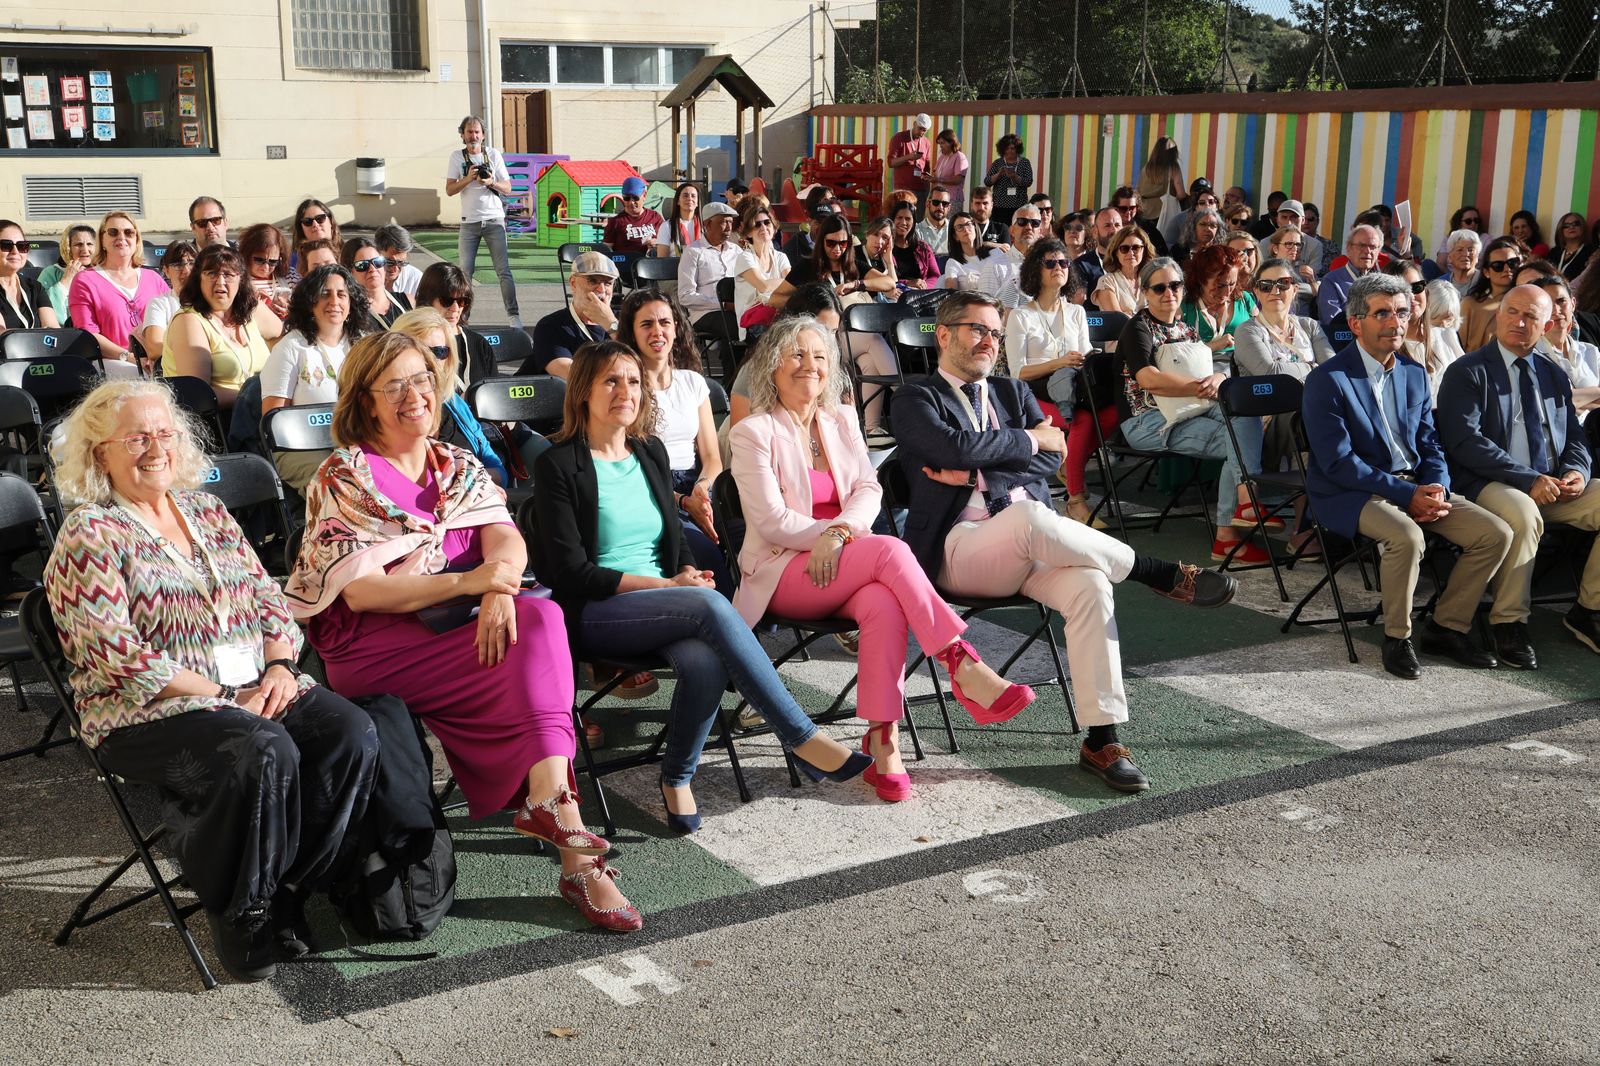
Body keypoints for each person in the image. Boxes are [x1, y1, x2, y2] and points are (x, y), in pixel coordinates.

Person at [285, 330, 637, 930]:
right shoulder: (345, 476)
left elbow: (506, 537)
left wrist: (498, 584)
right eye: (393, 385)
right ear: (364, 400)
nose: (413, 395)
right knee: (537, 643)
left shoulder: (456, 464)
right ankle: (578, 858)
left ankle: (559, 814)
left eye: (421, 379)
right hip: (375, 645)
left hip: (457, 630)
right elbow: (364, 591)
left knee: (541, 618)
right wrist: (473, 586)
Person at [44, 379, 378, 981]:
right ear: (101, 455)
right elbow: (113, 654)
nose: (156, 447)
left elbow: (269, 599)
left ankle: (289, 886)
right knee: (262, 749)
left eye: (165, 432)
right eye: (137, 437)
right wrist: (226, 696)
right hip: (145, 710)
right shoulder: (90, 532)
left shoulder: (206, 509)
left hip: (252, 686)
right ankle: (244, 911)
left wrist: (278, 667)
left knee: (351, 731)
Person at [892, 291, 1239, 792]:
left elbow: (1051, 460)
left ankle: (1103, 737)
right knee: (1031, 514)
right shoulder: (915, 399)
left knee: (1091, 584)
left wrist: (975, 473)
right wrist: (1029, 440)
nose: (989, 340)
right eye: (977, 330)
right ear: (943, 335)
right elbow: (950, 446)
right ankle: (1155, 572)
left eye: (995, 332)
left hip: (1032, 545)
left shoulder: (1012, 393)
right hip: (959, 549)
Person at [536, 339, 870, 823]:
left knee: (705, 661)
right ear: (583, 390)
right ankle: (801, 737)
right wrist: (669, 588)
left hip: (669, 603)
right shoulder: (558, 464)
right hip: (598, 610)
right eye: (610, 380)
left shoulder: (647, 451)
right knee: (709, 606)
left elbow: (673, 537)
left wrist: (686, 572)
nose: (625, 391)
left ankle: (676, 778)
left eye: (633, 380)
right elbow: (571, 572)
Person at [731, 315, 1038, 797]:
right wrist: (831, 534)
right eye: (796, 355)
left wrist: (841, 534)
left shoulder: (841, 418)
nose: (808, 365)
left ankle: (883, 739)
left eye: (818, 356)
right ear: (772, 366)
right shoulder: (753, 432)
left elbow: (868, 487)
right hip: (784, 569)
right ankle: (960, 663)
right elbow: (770, 521)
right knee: (891, 551)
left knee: (883, 601)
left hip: (849, 561)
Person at [1302, 272, 1512, 679]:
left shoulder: (1414, 373)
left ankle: (1447, 628)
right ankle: (1397, 638)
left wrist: (1437, 485)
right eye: (1382, 313)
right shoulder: (1327, 380)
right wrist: (1404, 493)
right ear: (1355, 322)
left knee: (1495, 534)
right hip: (1350, 491)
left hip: (1413, 484)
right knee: (1407, 536)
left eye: (1401, 312)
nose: (1395, 322)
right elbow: (1339, 462)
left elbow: (1430, 442)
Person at [1435, 284, 1599, 665]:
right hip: (1488, 483)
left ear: (1546, 327)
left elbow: (1574, 436)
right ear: (1498, 315)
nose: (1520, 322)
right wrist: (1527, 480)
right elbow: (1464, 443)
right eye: (1513, 312)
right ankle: (1509, 621)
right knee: (1523, 514)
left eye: (1531, 317)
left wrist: (1576, 470)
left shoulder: (1554, 375)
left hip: (1552, 483)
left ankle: (1588, 610)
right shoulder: (1467, 371)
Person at [1117, 257, 1270, 564]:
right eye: (1159, 288)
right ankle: (1233, 524)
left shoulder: (1186, 328)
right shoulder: (1138, 329)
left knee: (1245, 413)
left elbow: (1206, 366)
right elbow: (1149, 380)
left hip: (1192, 407)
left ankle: (1242, 505)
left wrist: (1219, 378)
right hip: (1149, 420)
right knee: (1238, 443)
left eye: (1174, 285)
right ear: (1146, 292)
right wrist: (1201, 386)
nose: (1168, 293)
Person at [615, 289, 730, 593]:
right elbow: (631, 465)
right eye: (647, 324)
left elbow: (712, 457)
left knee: (745, 534)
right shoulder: (627, 390)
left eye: (665, 322)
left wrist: (702, 491)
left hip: (698, 483)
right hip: (652, 487)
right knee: (704, 550)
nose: (658, 331)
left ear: (676, 328)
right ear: (632, 332)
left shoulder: (692, 382)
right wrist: (683, 500)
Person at [1004, 239, 1095, 519]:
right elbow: (1018, 372)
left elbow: (1086, 354)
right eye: (1051, 263)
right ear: (1036, 270)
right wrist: (1060, 362)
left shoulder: (1077, 312)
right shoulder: (1021, 316)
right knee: (1083, 421)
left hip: (1072, 388)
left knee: (1110, 413)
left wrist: (1080, 361)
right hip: (1033, 394)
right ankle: (1076, 498)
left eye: (1064, 262)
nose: (1059, 267)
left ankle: (1068, 463)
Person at [260, 264, 367, 488]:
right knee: (342, 481)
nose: (334, 302)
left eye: (341, 294)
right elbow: (274, 420)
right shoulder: (291, 348)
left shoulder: (363, 345)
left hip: (357, 444)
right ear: (310, 301)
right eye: (324, 294)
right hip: (301, 449)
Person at [390, 308, 514, 487]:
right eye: (420, 350)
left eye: (439, 352)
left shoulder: (455, 405)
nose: (430, 360)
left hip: (472, 506)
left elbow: (499, 471)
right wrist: (467, 476)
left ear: (448, 358)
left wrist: (465, 479)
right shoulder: (390, 410)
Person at [161, 244, 279, 408]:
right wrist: (260, 397)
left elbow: (284, 338)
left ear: (241, 279)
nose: (221, 282)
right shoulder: (189, 321)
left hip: (261, 410)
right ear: (198, 279)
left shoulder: (250, 309)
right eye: (211, 274)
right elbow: (198, 394)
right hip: (219, 422)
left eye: (229, 274)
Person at [445, 115, 523, 329]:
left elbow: (508, 187)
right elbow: (450, 190)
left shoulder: (493, 155)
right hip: (469, 222)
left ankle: (513, 316)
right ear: (462, 135)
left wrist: (491, 182)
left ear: (483, 134)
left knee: (503, 271)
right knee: (464, 273)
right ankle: (462, 318)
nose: (473, 136)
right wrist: (468, 178)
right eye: (469, 132)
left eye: (477, 132)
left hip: (494, 219)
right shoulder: (456, 157)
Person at [68, 212, 170, 370]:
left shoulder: (154, 278)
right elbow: (89, 335)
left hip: (157, 360)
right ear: (102, 240)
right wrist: (129, 357)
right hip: (112, 361)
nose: (121, 237)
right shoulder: (85, 280)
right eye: (113, 232)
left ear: (136, 240)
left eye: (129, 232)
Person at [1234, 257, 1334, 381]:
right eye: (1266, 286)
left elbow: (1332, 368)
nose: (1275, 291)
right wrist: (1312, 367)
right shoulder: (1246, 331)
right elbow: (1270, 373)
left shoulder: (1309, 326)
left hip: (1313, 398)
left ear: (1295, 290)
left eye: (1283, 283)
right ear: (1257, 292)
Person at [524, 251, 617, 379]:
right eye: (592, 281)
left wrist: (611, 324)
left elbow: (641, 364)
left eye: (608, 283)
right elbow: (571, 375)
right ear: (573, 283)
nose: (601, 290)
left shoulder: (621, 320)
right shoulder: (551, 326)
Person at [1384, 260, 1460, 404]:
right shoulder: (1385, 346)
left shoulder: (1447, 335)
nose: (1411, 296)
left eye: (1417, 287)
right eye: (1401, 290)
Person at [416, 261, 496, 386]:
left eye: (462, 301)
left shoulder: (479, 345)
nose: (455, 308)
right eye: (447, 300)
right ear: (427, 300)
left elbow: (494, 393)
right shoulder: (414, 345)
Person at [1181, 244, 1257, 371]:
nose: (1227, 293)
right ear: (1201, 279)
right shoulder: (1185, 307)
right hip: (1201, 370)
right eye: (1220, 286)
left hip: (1243, 368)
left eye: (1232, 284)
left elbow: (1263, 337)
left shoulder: (1244, 299)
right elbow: (1179, 355)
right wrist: (1215, 345)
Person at [1533, 273, 1600, 413]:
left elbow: (1563, 403)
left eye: (1561, 301)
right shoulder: (1530, 356)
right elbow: (1549, 405)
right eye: (1548, 304)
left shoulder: (1591, 352)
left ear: (1573, 304)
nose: (1556, 310)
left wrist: (1573, 401)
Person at [731, 201, 790, 339]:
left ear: (774, 227)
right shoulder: (744, 257)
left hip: (779, 317)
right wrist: (784, 282)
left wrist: (779, 284)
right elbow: (763, 286)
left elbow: (793, 286)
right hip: (753, 324)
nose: (763, 227)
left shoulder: (781, 257)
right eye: (757, 224)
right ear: (748, 233)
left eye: (767, 222)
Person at [1459, 236, 1528, 351]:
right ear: (1486, 272)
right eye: (1498, 266)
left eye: (1512, 263)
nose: (1507, 269)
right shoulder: (1470, 304)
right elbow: (1458, 347)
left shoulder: (1528, 302)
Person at [136, 239, 198, 359]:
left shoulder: (212, 300)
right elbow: (154, 348)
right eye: (178, 265)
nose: (186, 270)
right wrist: (195, 354)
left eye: (191, 263)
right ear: (166, 271)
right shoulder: (160, 304)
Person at [1315, 223, 1384, 330]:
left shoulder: (1382, 283)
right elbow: (1332, 323)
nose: (1367, 251)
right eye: (1362, 245)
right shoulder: (1331, 281)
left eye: (1373, 247)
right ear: (1348, 248)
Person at [979, 204, 1043, 310]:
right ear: (1012, 230)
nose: (1029, 227)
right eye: (1022, 222)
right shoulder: (995, 264)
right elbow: (984, 306)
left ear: (1040, 232)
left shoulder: (1049, 265)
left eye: (1035, 223)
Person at [0, 221, 59, 331]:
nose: (15, 251)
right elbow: (2, 334)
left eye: (22, 246)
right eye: (6, 245)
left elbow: (53, 330)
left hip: (38, 348)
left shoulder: (34, 287)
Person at [341, 237, 409, 330]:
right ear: (349, 271)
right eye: (362, 265)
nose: (372, 269)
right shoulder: (348, 314)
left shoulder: (408, 301)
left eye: (377, 262)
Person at [1087, 224, 1151, 318]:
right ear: (1116, 252)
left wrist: (1129, 314)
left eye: (1136, 248)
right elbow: (1118, 319)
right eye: (1124, 248)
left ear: (1144, 251)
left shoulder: (1152, 279)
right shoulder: (1107, 282)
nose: (1131, 253)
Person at [38, 223, 96, 326]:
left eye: (90, 244)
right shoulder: (51, 273)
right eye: (78, 244)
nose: (85, 250)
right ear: (67, 248)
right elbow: (44, 310)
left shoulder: (102, 273)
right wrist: (66, 280)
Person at [237, 223, 294, 320]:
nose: (265, 267)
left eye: (273, 262)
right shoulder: (237, 279)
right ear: (247, 254)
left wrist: (291, 309)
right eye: (259, 260)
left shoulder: (290, 276)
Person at [603, 176, 666, 257]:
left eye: (635, 198)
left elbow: (668, 243)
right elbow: (605, 252)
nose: (631, 202)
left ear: (644, 195)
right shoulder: (615, 222)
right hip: (626, 267)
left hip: (651, 266)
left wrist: (657, 243)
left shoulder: (655, 217)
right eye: (627, 198)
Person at [1265, 224, 1319, 316]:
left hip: (1304, 323)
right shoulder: (1267, 271)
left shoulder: (1304, 271)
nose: (1295, 249)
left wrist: (1312, 280)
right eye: (1289, 244)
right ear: (1275, 249)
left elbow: (1319, 298)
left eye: (1298, 244)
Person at [1136, 136, 1187, 230]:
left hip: (1144, 212)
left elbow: (1138, 191)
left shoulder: (1146, 168)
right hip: (1163, 212)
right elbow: (1181, 194)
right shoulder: (1173, 167)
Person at [1071, 207, 1121, 302]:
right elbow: (1078, 304)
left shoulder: (1131, 260)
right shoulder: (1081, 265)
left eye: (1117, 225)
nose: (1114, 230)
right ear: (1095, 232)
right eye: (1107, 225)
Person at [984, 133, 1033, 228]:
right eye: (1007, 148)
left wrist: (1014, 176)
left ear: (1017, 149)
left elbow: (1028, 181)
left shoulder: (1024, 162)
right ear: (1002, 150)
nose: (1010, 151)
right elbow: (987, 181)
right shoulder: (998, 163)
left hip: (1018, 206)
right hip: (999, 206)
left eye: (1013, 148)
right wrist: (998, 175)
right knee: (999, 229)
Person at [942, 211, 997, 291]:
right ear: (955, 236)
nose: (965, 229)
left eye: (968, 224)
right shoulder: (953, 263)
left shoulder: (994, 254)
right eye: (960, 227)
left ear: (975, 227)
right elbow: (951, 293)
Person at [888, 113, 934, 206]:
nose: (921, 132)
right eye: (919, 128)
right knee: (902, 217)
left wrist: (928, 185)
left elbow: (926, 166)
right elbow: (891, 163)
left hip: (921, 189)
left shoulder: (926, 142)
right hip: (903, 189)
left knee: (918, 219)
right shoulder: (899, 138)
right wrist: (909, 157)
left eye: (924, 130)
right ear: (914, 124)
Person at [890, 201, 939, 288]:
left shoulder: (923, 247)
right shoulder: (885, 247)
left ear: (913, 222)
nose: (903, 222)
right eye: (899, 218)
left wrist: (924, 286)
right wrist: (907, 283)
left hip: (920, 294)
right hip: (893, 294)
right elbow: (883, 277)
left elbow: (935, 275)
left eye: (908, 219)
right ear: (893, 220)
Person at [652, 181, 701, 257]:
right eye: (685, 195)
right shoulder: (667, 226)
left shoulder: (705, 225)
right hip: (676, 267)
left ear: (697, 202)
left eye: (693, 196)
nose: (690, 199)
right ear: (678, 201)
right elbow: (662, 259)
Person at [374, 223, 423, 299]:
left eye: (401, 263)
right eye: (390, 262)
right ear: (376, 253)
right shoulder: (364, 276)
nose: (395, 268)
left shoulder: (416, 279)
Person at [291, 200, 341, 273]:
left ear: (330, 221)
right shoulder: (293, 262)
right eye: (307, 221)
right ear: (301, 228)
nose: (315, 224)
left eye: (320, 218)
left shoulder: (349, 253)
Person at [933, 128, 970, 209]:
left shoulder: (959, 157)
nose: (940, 146)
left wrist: (939, 180)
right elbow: (936, 175)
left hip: (952, 199)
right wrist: (930, 178)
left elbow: (958, 179)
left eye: (942, 143)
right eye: (939, 143)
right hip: (939, 199)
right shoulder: (942, 157)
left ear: (951, 142)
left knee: (951, 221)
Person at [1551, 213, 1591, 281]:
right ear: (1560, 229)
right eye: (1566, 225)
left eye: (1576, 223)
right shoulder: (1554, 252)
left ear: (1583, 227)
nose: (1571, 227)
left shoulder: (1591, 252)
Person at [1441, 228, 1482, 297]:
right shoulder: (1441, 284)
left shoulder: (1485, 282)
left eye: (1470, 250)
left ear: (1477, 256)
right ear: (1450, 257)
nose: (1466, 254)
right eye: (1460, 250)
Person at [914, 186, 954, 255]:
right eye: (936, 202)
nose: (940, 207)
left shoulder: (955, 229)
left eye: (945, 203)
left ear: (949, 207)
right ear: (928, 204)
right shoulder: (917, 230)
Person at [1300, 202, 1335, 274]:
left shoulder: (1330, 246)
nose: (1306, 222)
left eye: (1311, 219)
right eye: (1303, 219)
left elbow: (1332, 270)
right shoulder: (1291, 244)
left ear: (1317, 221)